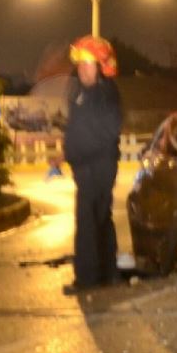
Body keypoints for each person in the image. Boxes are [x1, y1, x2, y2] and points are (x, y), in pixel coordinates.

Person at [63, 35, 122, 293]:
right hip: (88, 166)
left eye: (87, 64)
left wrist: (74, 153)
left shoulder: (105, 95)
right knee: (100, 219)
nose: (81, 69)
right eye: (80, 63)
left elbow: (104, 133)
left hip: (97, 167)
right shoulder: (82, 94)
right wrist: (68, 152)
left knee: (87, 221)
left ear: (101, 66)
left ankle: (87, 279)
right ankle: (107, 273)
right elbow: (78, 129)